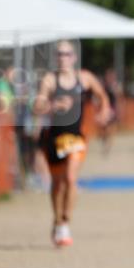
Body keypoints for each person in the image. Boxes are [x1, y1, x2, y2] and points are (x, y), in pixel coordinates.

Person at [34, 40, 111, 247]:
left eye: (67, 54)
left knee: (70, 177)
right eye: (60, 54)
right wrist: (52, 105)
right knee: (57, 184)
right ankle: (57, 220)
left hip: (76, 138)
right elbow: (37, 106)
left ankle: (65, 221)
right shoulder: (50, 80)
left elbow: (102, 95)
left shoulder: (84, 78)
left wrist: (104, 111)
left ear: (74, 58)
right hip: (54, 139)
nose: (63, 58)